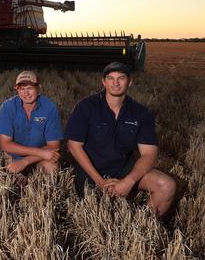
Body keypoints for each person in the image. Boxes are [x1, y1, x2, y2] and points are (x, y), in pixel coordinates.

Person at [66, 61, 176, 217]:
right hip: (91, 172)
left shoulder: (141, 113)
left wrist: (128, 181)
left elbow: (149, 154)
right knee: (96, 216)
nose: (115, 83)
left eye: (121, 78)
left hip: (125, 170)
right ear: (103, 82)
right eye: (110, 78)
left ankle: (142, 228)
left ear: (129, 82)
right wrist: (100, 182)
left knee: (167, 186)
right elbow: (73, 146)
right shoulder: (86, 106)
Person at [0, 70, 63, 174]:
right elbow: (5, 144)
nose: (26, 93)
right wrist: (39, 152)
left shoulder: (50, 108)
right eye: (22, 89)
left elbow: (54, 146)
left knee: (52, 168)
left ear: (39, 88)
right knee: (13, 184)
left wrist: (25, 161)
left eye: (30, 88)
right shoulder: (7, 107)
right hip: (16, 157)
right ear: (17, 90)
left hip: (40, 158)